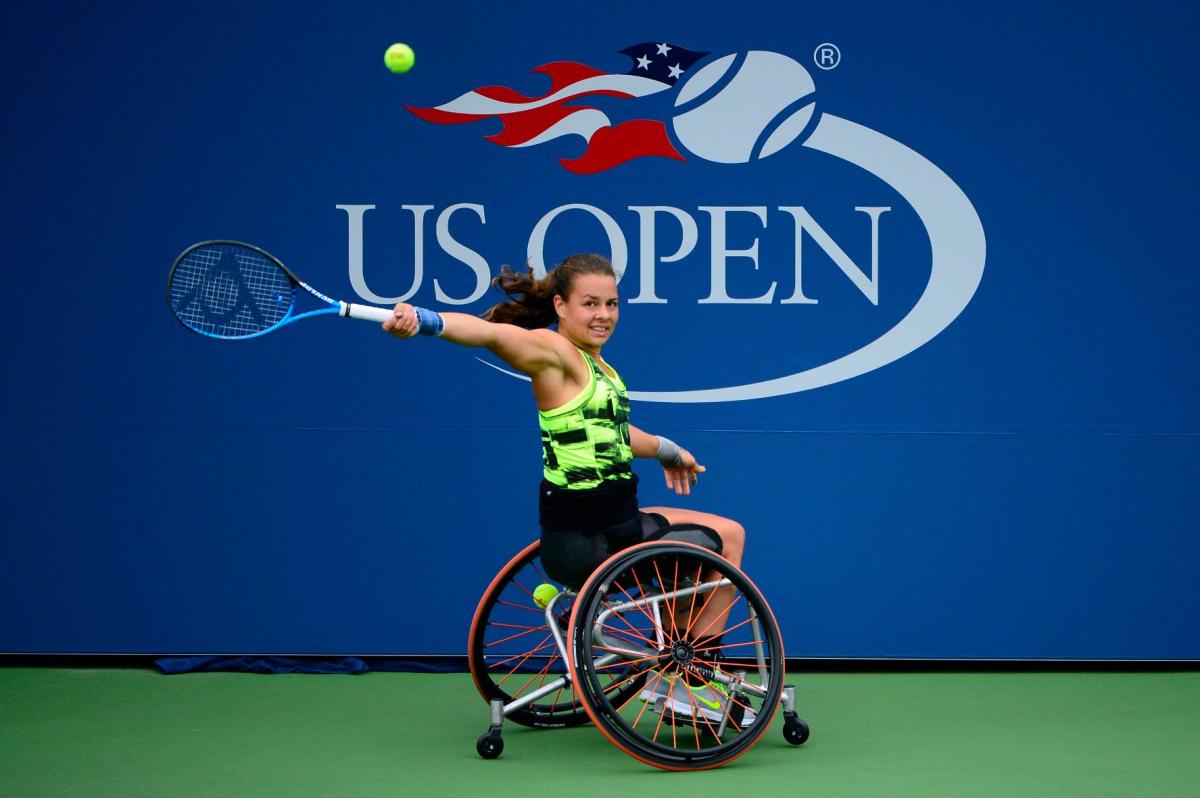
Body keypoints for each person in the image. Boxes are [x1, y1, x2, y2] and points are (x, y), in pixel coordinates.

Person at [382, 253, 750, 723]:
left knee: (726, 530)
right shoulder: (555, 353)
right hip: (597, 541)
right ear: (560, 305)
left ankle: (673, 673)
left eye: (612, 304)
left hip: (591, 529)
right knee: (726, 542)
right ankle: (687, 684)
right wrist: (425, 321)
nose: (603, 315)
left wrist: (669, 451)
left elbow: (614, 434)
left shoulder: (598, 369)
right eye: (590, 303)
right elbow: (494, 334)